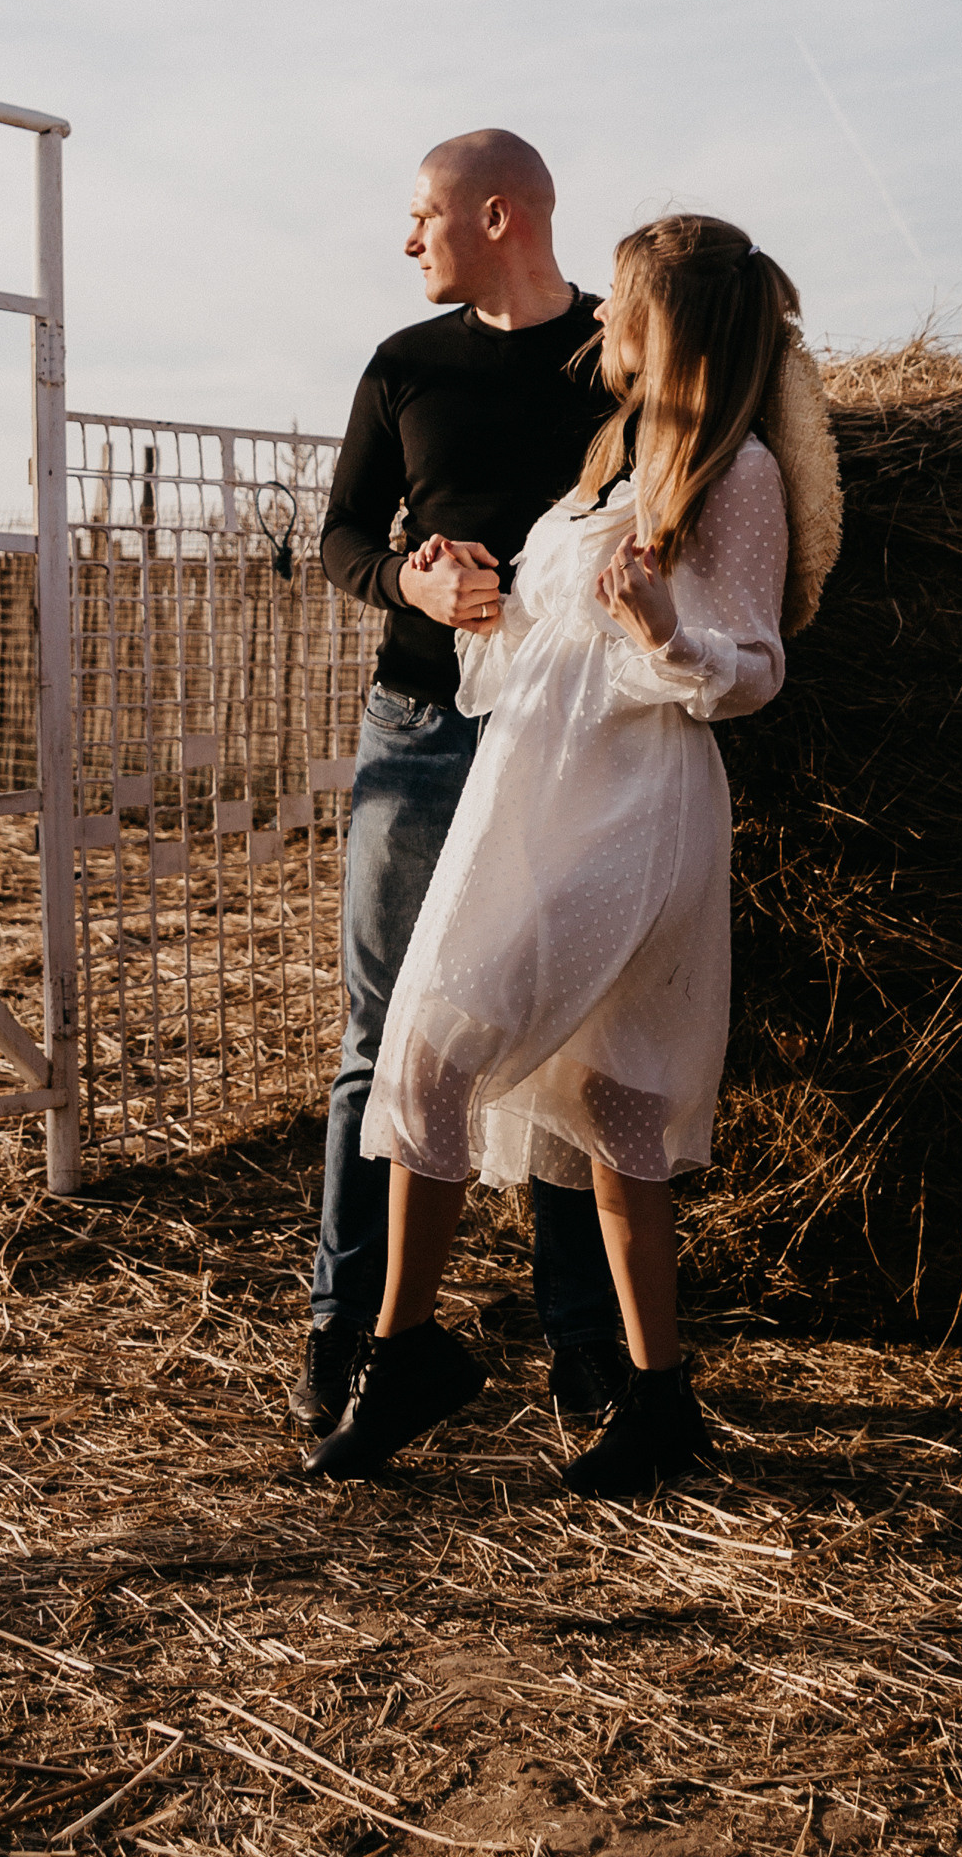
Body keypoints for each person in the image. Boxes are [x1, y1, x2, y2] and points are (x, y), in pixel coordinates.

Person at [306, 213, 841, 1497]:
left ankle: (406, 1354)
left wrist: (665, 630)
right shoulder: (611, 455)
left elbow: (754, 668)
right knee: (593, 1101)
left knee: (458, 1055)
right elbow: (539, 649)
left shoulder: (736, 473)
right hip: (530, 788)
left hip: (629, 803)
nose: (603, 318)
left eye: (624, 301)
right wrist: (473, 594)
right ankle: (657, 1396)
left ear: (669, 322)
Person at [298, 129, 626, 1441]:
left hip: (567, 734)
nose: (406, 238)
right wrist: (410, 582)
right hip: (420, 726)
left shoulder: (619, 354)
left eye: (421, 214)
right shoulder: (404, 363)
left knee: (571, 1038)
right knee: (380, 1035)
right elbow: (340, 537)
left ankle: (585, 1344)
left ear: (495, 215)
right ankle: (349, 1330)